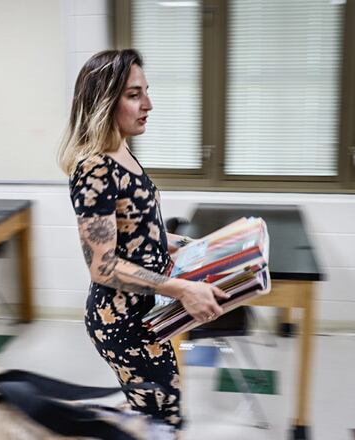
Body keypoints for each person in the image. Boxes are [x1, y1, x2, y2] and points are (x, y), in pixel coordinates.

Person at [58, 49, 229, 434]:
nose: (148, 104)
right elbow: (102, 265)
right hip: (121, 321)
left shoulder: (122, 152)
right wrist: (181, 288)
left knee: (157, 411)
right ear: (104, 101)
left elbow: (137, 228)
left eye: (145, 92)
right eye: (134, 95)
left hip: (144, 313)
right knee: (162, 417)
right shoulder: (95, 168)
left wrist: (188, 243)